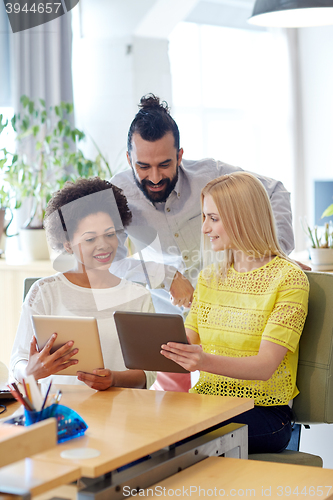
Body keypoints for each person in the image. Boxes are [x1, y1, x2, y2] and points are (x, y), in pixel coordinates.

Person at [111, 94, 301, 392]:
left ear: (180, 155)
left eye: (165, 164)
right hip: (173, 317)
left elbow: (274, 190)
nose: (156, 177)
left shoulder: (211, 175)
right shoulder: (116, 192)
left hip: (235, 310)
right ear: (128, 159)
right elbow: (108, 260)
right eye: (143, 167)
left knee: (232, 391)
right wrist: (167, 276)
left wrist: (269, 255)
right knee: (173, 414)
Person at [160, 172, 309, 454]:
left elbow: (265, 366)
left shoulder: (288, 279)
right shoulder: (208, 278)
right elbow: (187, 340)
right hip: (207, 404)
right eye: (204, 217)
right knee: (149, 424)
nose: (204, 228)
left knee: (171, 439)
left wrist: (203, 361)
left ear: (243, 218)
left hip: (265, 414)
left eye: (213, 218)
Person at [10, 177, 156, 391]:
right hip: (60, 412)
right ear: (67, 244)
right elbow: (18, 363)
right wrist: (31, 371)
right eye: (90, 239)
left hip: (123, 414)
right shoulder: (45, 292)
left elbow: (149, 374)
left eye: (110, 234)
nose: (103, 245)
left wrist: (114, 379)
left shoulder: (138, 296)